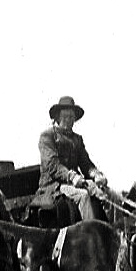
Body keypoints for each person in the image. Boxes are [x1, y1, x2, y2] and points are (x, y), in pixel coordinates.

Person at [32, 95, 107, 223]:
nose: (69, 120)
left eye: (72, 117)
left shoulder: (77, 139)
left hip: (75, 183)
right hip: (54, 186)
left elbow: (86, 164)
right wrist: (71, 176)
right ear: (58, 118)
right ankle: (91, 235)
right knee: (82, 196)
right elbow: (52, 165)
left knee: (103, 194)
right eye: (65, 117)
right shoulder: (47, 136)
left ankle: (112, 232)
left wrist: (96, 174)